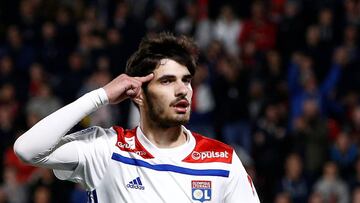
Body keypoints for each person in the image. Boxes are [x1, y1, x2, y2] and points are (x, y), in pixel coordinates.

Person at [13, 32, 260, 203]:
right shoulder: (106, 149)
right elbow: (28, 149)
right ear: (138, 94)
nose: (182, 89)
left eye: (186, 80)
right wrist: (100, 96)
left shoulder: (221, 161)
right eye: (167, 81)